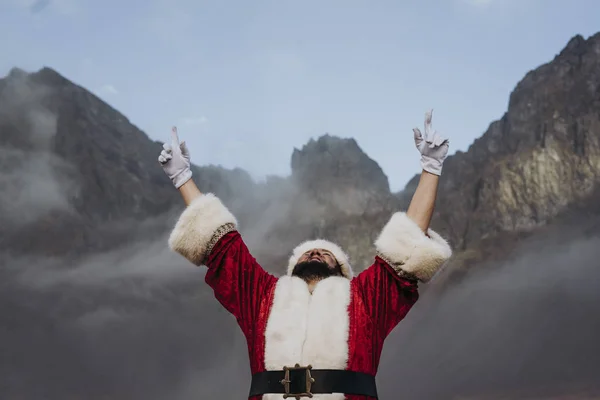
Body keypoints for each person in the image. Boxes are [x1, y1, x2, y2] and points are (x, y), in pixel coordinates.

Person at [158, 110, 453, 400]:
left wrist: (431, 166)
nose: (315, 252)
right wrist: (182, 176)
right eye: (307, 252)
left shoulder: (365, 299)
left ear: (342, 270)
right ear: (292, 268)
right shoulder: (263, 297)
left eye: (326, 254)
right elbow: (222, 246)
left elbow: (405, 248)